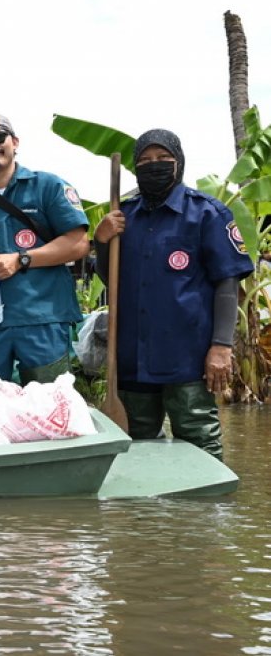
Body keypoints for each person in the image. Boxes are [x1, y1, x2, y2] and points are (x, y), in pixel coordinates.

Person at [94, 129, 252, 460]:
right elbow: (111, 280)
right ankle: (144, 498)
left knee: (199, 438)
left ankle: (207, 496)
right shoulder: (123, 216)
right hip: (132, 359)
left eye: (163, 159)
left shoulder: (206, 213)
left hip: (188, 357)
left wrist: (221, 347)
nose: (155, 165)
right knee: (134, 446)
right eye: (145, 160)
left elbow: (227, 282)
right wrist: (102, 240)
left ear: (178, 162)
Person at [0, 112, 90, 383]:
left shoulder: (48, 186)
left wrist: (21, 259)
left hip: (42, 318)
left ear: (15, 142)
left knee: (48, 402)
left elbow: (78, 244)